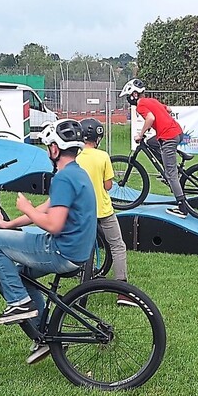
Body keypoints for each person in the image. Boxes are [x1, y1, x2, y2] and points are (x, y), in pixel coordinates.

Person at [0, 119, 96, 364]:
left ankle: (18, 302)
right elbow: (46, 208)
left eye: (48, 147)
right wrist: (8, 224)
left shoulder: (62, 179)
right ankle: (44, 337)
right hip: (77, 251)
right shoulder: (77, 173)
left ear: (54, 149)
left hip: (60, 251)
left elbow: (53, 224)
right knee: (23, 273)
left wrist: (25, 207)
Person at [75, 118, 137, 307]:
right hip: (103, 210)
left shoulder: (76, 158)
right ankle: (123, 291)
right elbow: (108, 186)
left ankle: (81, 288)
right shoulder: (102, 156)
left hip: (83, 211)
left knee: (84, 250)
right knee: (117, 246)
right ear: (98, 138)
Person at [120, 78, 188, 218]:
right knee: (152, 142)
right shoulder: (152, 100)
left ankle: (182, 208)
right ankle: (169, 163)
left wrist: (141, 134)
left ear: (134, 94)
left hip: (169, 137)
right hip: (177, 132)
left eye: (128, 96)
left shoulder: (140, 105)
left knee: (171, 175)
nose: (128, 99)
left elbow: (150, 118)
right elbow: (168, 109)